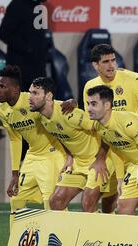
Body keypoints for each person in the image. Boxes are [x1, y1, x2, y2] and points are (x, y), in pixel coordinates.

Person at [0, 66, 66, 246]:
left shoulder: (32, 99)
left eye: (2, 86)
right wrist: (14, 174)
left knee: (51, 204)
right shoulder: (3, 109)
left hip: (52, 154)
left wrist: (72, 103)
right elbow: (15, 140)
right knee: (16, 200)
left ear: (15, 90)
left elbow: (58, 107)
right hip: (32, 155)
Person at [29, 77, 117, 213]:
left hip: (101, 160)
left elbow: (105, 128)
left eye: (35, 93)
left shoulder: (69, 113)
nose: (30, 97)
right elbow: (61, 135)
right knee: (56, 202)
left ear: (48, 96)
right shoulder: (42, 118)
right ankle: (66, 234)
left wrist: (100, 159)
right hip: (78, 163)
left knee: (88, 203)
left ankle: (98, 233)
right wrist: (69, 157)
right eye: (30, 93)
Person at [86, 85, 138, 216]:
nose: (89, 108)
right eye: (88, 103)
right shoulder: (99, 126)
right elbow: (116, 149)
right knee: (123, 209)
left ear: (107, 106)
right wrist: (120, 179)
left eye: (93, 104)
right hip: (135, 165)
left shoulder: (128, 122)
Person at [0, 0, 48, 91]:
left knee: (38, 102)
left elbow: (38, 35)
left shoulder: (39, 6)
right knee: (19, 103)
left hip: (37, 68)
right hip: (20, 69)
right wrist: (27, 49)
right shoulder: (17, 5)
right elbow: (4, 33)